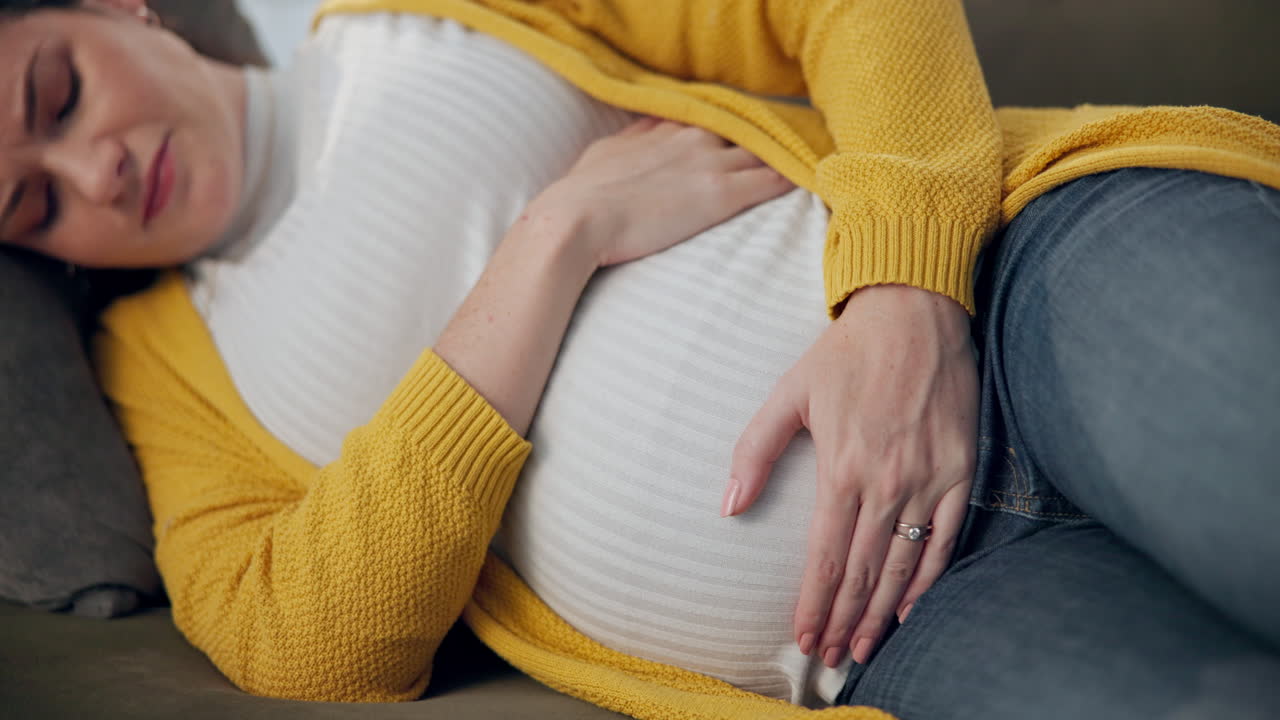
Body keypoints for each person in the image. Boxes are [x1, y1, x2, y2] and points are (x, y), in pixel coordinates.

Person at [2, 0, 1278, 716]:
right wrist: (555, 236)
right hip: (888, 626)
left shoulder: (412, 14)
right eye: (35, 205)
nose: (93, 170)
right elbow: (307, 639)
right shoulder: (155, 367)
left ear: (116, 7)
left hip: (1017, 290)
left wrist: (902, 294)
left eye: (54, 100)